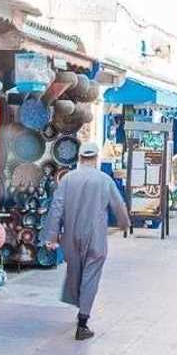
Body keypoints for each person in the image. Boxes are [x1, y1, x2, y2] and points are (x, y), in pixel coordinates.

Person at [42, 141, 130, 341]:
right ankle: (83, 321)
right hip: (95, 236)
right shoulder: (104, 180)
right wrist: (125, 224)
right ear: (96, 158)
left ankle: (79, 305)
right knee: (91, 275)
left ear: (80, 158)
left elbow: (56, 208)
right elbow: (118, 204)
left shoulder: (67, 180)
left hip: (71, 236)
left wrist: (51, 236)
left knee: (75, 271)